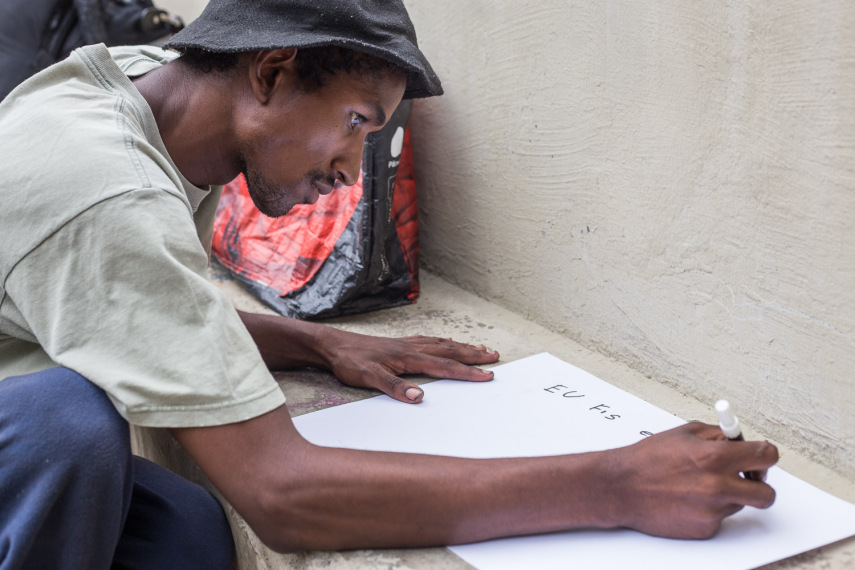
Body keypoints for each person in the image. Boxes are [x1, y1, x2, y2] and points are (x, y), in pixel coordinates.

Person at [0, 0, 779, 567]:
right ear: (270, 72)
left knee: (184, 536)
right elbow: (283, 495)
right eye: (356, 124)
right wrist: (612, 484)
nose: (348, 173)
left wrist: (313, 341)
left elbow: (131, 302)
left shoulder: (147, 92)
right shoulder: (108, 187)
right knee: (66, 428)